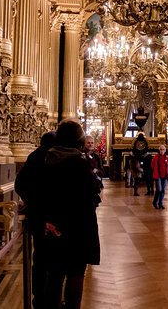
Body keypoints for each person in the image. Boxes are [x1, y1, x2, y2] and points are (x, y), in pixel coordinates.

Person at [42, 119, 101, 309]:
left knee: (55, 273)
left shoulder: (47, 159)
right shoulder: (79, 163)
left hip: (54, 225)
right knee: (76, 272)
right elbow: (91, 193)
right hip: (79, 226)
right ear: (78, 140)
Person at [15, 130, 57, 309]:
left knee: (38, 258)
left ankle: (38, 298)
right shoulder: (55, 158)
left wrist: (31, 201)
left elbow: (19, 185)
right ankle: (50, 298)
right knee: (54, 260)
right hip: (54, 217)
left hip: (36, 216)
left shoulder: (33, 157)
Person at [151, 145, 168, 210]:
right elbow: (152, 165)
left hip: (164, 176)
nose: (162, 151)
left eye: (163, 149)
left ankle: (160, 203)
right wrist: (155, 172)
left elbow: (167, 166)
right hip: (158, 176)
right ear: (159, 150)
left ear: (165, 150)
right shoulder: (156, 157)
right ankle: (154, 202)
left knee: (163, 191)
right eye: (161, 149)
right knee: (159, 190)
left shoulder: (166, 157)